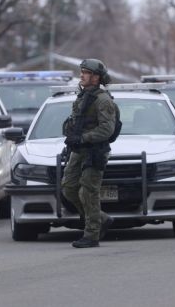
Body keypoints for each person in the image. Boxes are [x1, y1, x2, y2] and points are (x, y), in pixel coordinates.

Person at [61, 59, 117, 248]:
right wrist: (70, 132)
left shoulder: (103, 100)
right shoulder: (83, 96)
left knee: (88, 191)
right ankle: (100, 218)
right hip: (79, 151)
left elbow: (106, 130)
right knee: (69, 188)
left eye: (85, 72)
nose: (81, 75)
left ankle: (92, 234)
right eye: (82, 72)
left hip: (95, 151)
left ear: (96, 77)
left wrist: (83, 138)